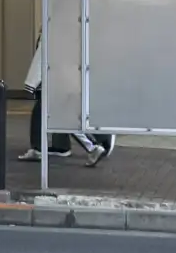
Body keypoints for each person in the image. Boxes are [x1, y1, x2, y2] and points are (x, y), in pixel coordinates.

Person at [17, 33, 115, 166]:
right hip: (62, 78)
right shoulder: (66, 29)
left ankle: (93, 146)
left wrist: (31, 83)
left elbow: (43, 55)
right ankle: (41, 148)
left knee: (60, 116)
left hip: (55, 80)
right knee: (45, 113)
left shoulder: (53, 28)